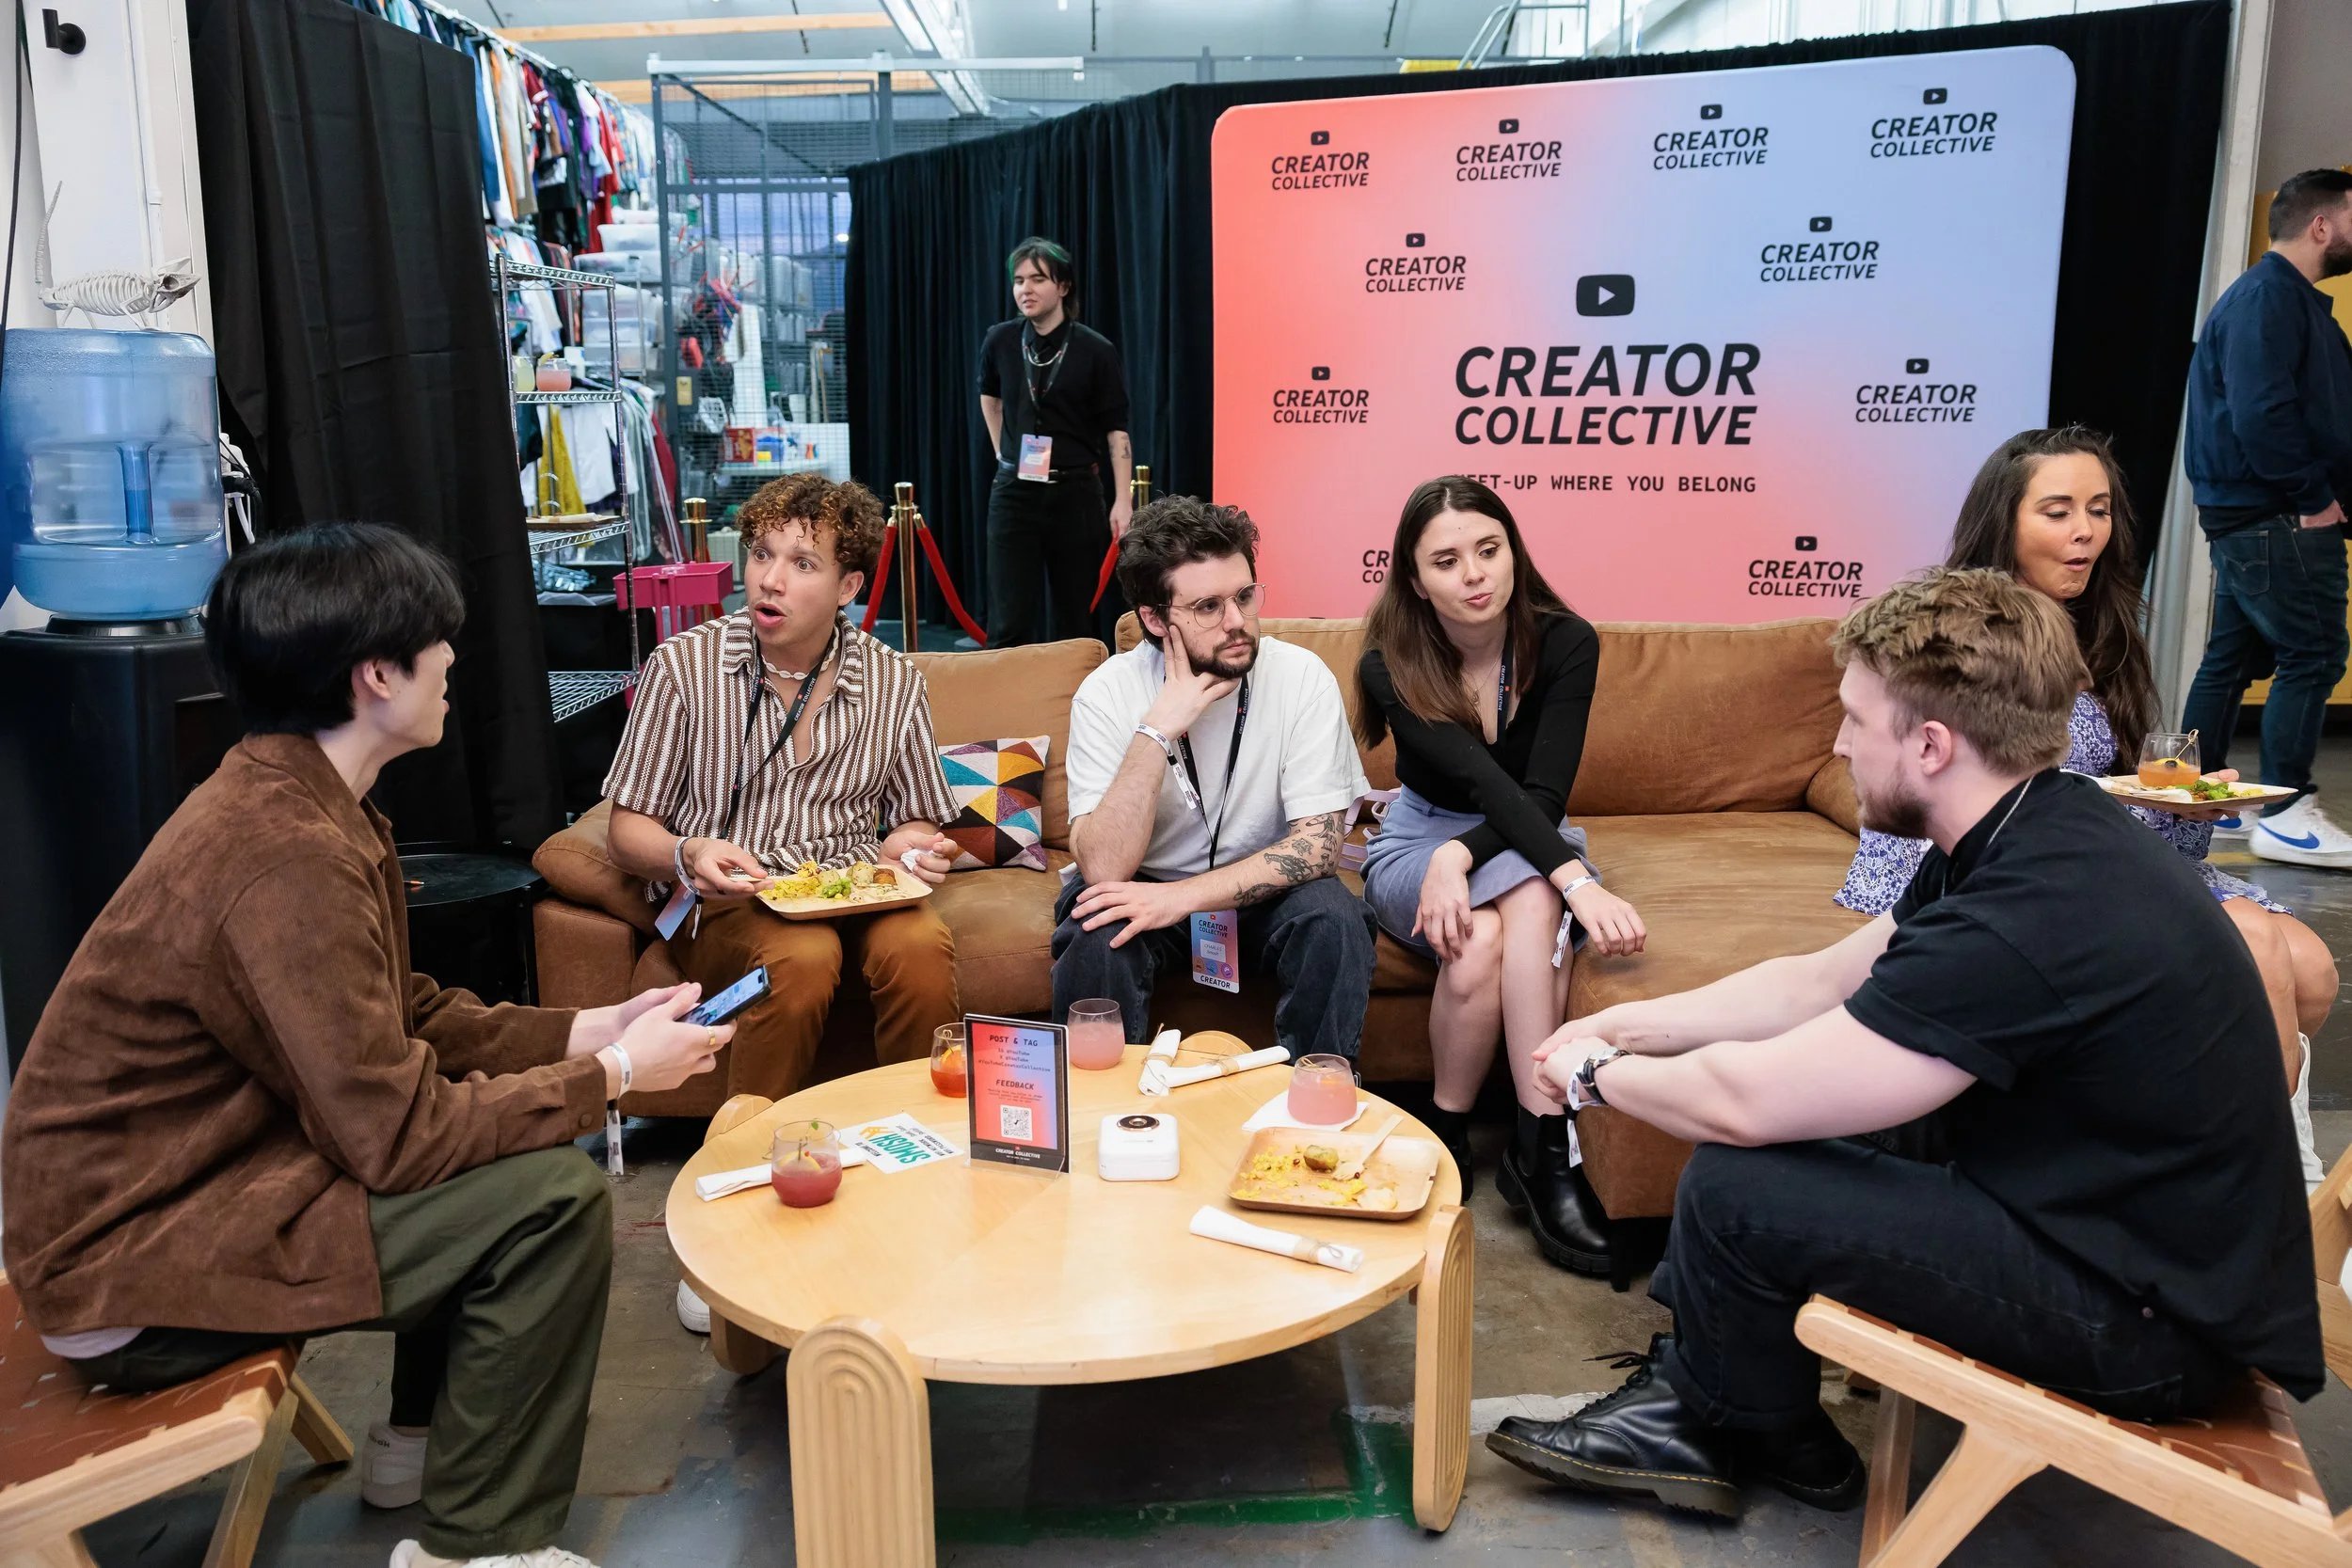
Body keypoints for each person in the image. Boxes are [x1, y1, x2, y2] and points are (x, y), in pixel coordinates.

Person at [1482, 568, 2322, 1523]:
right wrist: (1612, 1023)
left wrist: (1595, 1076)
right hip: (2109, 1229)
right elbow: (1814, 980)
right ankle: (1740, 1409)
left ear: (1929, 743)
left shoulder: (2022, 913)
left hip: (2142, 1326)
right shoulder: (2036, 822)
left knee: (1738, 1178)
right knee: (1797, 1144)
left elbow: (1743, 1101)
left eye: (1851, 720)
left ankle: (1726, 1417)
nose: (1837, 743)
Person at [0, 524, 728, 1568]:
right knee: (549, 1202)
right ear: (377, 674)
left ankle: (418, 1448)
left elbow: (403, 1016)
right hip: (130, 1267)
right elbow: (396, 1137)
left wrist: (587, 1027)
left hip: (187, 1199)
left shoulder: (304, 800)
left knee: (503, 1152)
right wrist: (613, 1079)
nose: (451, 664)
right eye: (437, 645)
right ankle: (480, 1547)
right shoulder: (280, 850)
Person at [1837, 427, 2334, 1185]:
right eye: (2059, 510)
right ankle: (2276, 1187)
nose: (2084, 532)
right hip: (2022, 870)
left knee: (2313, 967)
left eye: (2098, 510)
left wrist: (2181, 809)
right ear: (2005, 519)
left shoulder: (2103, 630)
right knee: (2259, 951)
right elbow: (1972, 801)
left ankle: (2227, 1166)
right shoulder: (1965, 631)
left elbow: (2142, 824)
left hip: (2105, 858)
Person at [604, 474, 961, 1334]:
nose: (769, 579)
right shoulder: (685, 668)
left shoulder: (891, 679)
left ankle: (916, 1190)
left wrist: (907, 848)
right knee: (800, 961)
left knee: (920, 949)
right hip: (732, 899)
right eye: (761, 554)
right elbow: (624, 828)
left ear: (846, 587)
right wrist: (688, 852)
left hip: (852, 886)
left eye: (801, 562)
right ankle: (735, 1223)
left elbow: (915, 813)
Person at [1354, 477, 1645, 1272]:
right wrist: (1572, 882)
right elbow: (1482, 783)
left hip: (1528, 831)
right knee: (1531, 888)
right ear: (1415, 579)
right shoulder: (1390, 661)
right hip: (1419, 836)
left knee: (1486, 934)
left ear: (1513, 551)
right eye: (1447, 560)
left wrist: (1467, 856)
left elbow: (1539, 799)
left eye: (1489, 549)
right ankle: (1545, 1147)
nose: (1475, 573)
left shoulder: (1567, 641)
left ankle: (1465, 1128)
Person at [1053, 495, 1376, 1061]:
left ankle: (1318, 1114)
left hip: (1265, 894)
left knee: (1335, 917)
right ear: (1154, 619)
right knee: (1095, 922)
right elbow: (1104, 867)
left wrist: (1181, 899)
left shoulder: (1302, 678)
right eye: (1208, 607)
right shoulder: (1107, 693)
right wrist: (1158, 729)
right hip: (1141, 887)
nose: (1237, 623)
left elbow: (1318, 849)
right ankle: (1095, 1119)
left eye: (1245, 596)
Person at [2181, 167, 2352, 868]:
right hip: (2276, 515)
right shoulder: (2267, 300)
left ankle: (2201, 799)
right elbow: (2264, 414)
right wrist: (2313, 498)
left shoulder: (2288, 302)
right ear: (2321, 226)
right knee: (2313, 655)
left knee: (2229, 658)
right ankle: (2284, 810)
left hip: (2258, 514)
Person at [976, 236, 1136, 647]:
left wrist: (1123, 500)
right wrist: (1001, 451)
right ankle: (1004, 707)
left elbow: (1116, 429)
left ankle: (1079, 707)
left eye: (1037, 279)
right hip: (1013, 493)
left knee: (1077, 619)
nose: (1025, 289)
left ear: (1063, 286)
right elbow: (989, 397)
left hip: (1076, 493)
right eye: (1018, 280)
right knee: (1008, 620)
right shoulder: (1000, 340)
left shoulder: (1095, 350)